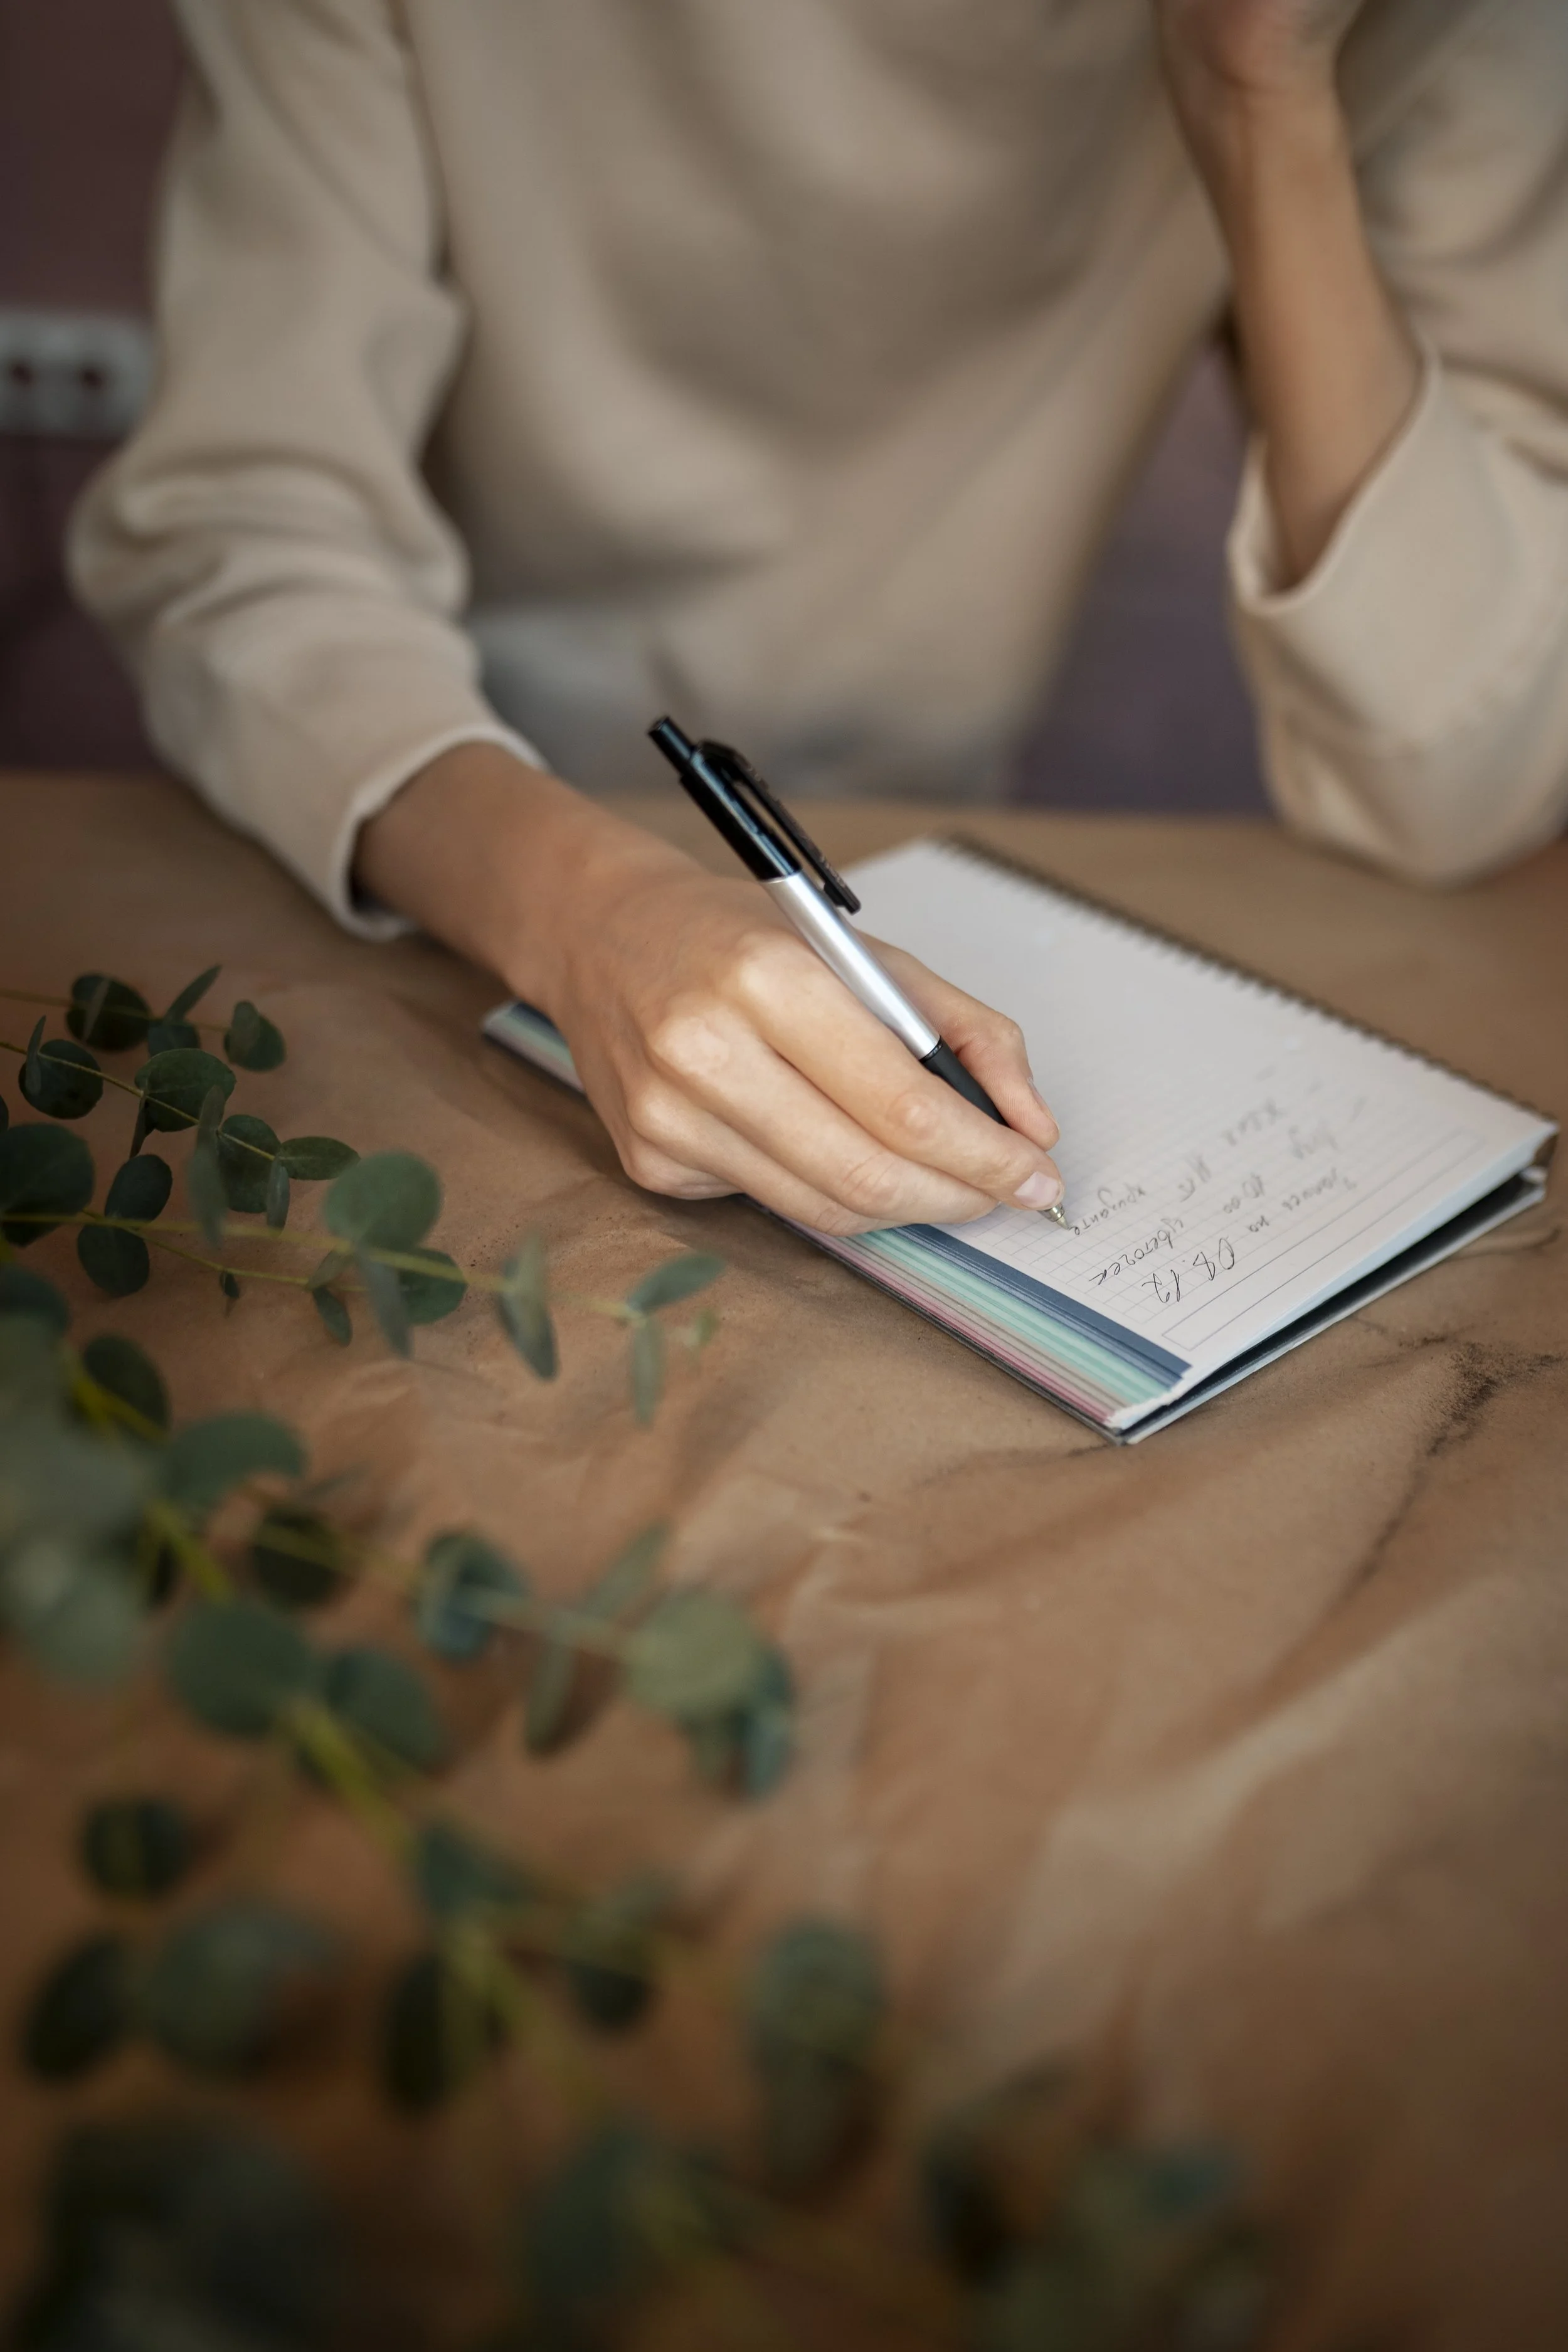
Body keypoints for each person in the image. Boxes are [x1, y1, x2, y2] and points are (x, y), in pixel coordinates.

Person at [72, 0, 1568, 1238]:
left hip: (933, 873)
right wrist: (589, 912)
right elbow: (236, 533)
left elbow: (1453, 766)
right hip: (413, 857)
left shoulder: (1415, 28)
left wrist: (1258, 91)